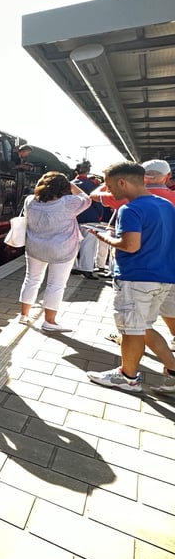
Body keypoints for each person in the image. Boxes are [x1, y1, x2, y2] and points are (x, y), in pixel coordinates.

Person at [86, 161, 175, 396]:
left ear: (122, 182)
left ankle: (128, 377)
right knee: (144, 327)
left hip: (137, 278)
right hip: (163, 276)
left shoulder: (130, 209)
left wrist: (105, 237)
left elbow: (131, 245)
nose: (109, 191)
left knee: (131, 330)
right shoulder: (166, 205)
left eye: (109, 185)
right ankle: (174, 372)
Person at [17, 171, 91, 331]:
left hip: (35, 248)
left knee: (31, 280)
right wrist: (72, 185)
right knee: (56, 285)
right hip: (62, 249)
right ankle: (49, 322)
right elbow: (87, 199)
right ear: (64, 187)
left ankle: (24, 315)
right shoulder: (68, 202)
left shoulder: (30, 200)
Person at [71, 162, 109, 279]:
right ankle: (86, 268)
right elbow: (97, 202)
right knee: (88, 244)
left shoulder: (71, 184)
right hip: (90, 217)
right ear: (88, 171)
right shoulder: (92, 185)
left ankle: (73, 267)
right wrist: (99, 216)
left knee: (73, 244)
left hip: (74, 217)